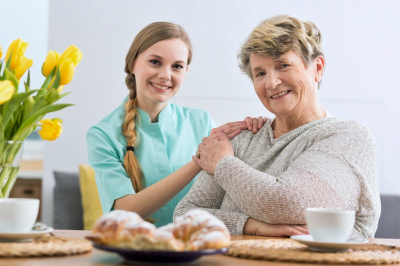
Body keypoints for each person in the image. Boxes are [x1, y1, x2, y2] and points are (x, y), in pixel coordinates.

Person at [174, 15, 380, 238]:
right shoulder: (241, 139)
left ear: (317, 68)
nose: (271, 83)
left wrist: (223, 165)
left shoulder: (348, 137)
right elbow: (185, 215)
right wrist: (251, 225)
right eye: (260, 73)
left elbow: (290, 204)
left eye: (283, 65)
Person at [86, 22, 265, 227]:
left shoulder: (203, 122)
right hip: (134, 251)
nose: (165, 75)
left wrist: (255, 133)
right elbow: (125, 210)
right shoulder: (102, 134)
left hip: (196, 248)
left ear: (186, 71)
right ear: (133, 63)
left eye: (177, 66)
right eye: (155, 62)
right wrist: (200, 159)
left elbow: (230, 193)